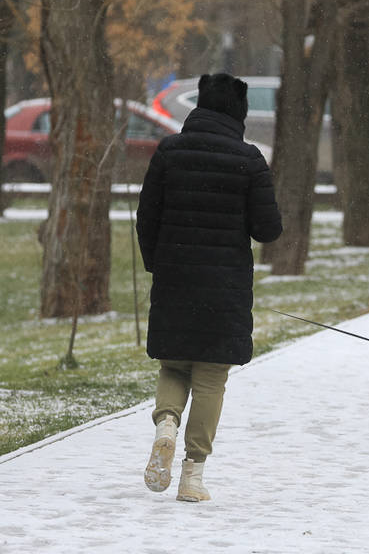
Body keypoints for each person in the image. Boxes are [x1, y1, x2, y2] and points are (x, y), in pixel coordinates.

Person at [136, 72, 282, 502]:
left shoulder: (169, 152)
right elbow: (268, 229)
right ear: (239, 112)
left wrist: (158, 264)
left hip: (174, 280)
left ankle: (166, 424)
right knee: (211, 377)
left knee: (174, 365)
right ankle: (192, 476)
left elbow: (147, 216)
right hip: (224, 286)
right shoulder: (249, 159)